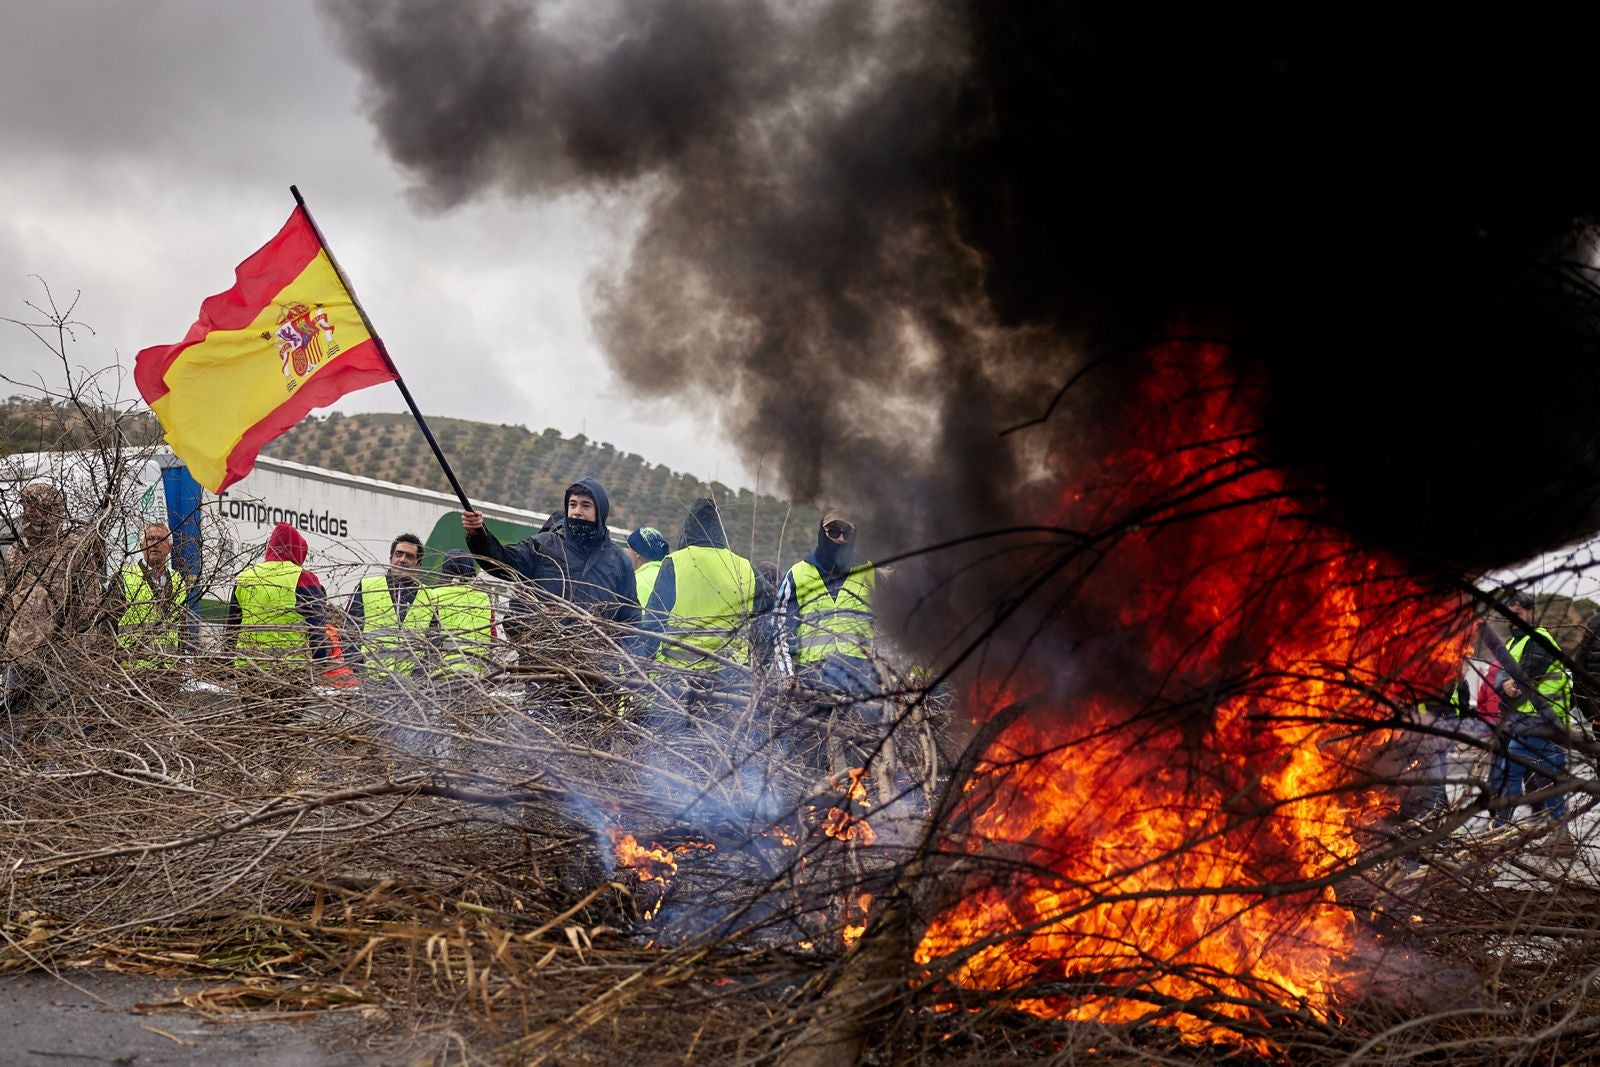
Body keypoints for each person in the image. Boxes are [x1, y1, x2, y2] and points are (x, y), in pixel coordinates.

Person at [461, 478, 639, 630]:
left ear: (600, 512)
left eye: (586, 506)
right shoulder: (543, 544)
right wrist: (479, 534)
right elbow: (502, 562)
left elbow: (630, 617)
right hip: (540, 660)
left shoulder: (618, 561)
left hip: (596, 664)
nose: (577, 511)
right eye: (573, 504)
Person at [0, 482, 103, 717]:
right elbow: (9, 603)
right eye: (27, 507)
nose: (31, 514)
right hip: (19, 659)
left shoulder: (75, 552)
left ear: (54, 510)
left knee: (55, 728)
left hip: (58, 662)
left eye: (39, 507)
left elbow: (88, 613)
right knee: (12, 730)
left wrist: (81, 661)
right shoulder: (19, 551)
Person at [636, 498, 771, 674]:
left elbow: (654, 623)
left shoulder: (676, 562)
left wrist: (639, 666)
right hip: (730, 680)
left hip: (679, 678)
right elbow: (772, 615)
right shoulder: (745, 567)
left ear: (688, 528)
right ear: (720, 531)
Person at [1486, 589, 1573, 849]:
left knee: (1517, 771)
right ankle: (1558, 835)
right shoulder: (1515, 642)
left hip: (1544, 719)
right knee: (1540, 776)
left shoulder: (1539, 638)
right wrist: (1505, 684)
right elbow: (1500, 673)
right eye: (1508, 614)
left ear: (1530, 612)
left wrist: (1513, 683)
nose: (1513, 619)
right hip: (1525, 718)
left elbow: (1529, 670)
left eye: (1518, 612)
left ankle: (1500, 830)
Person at [775, 512, 878, 698]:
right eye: (833, 532)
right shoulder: (797, 574)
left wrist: (884, 677)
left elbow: (886, 630)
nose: (840, 539)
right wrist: (787, 676)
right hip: (812, 679)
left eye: (846, 534)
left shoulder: (869, 573)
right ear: (822, 534)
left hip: (861, 681)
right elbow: (779, 628)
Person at [225, 522, 342, 681]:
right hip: (290, 673)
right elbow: (316, 632)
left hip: (248, 671)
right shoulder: (304, 578)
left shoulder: (245, 577)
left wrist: (227, 665)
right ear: (298, 552)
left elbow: (231, 630)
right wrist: (319, 664)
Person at [348, 533, 433, 678]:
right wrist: (360, 672)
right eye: (398, 554)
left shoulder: (429, 596)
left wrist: (419, 678)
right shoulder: (368, 586)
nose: (402, 559)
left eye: (409, 556)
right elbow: (349, 634)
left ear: (418, 565)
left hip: (412, 689)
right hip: (371, 683)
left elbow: (433, 644)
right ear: (390, 559)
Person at [106, 523, 191, 668]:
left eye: (161, 539)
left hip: (167, 673)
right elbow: (107, 626)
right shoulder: (125, 577)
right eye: (150, 539)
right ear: (141, 545)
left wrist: (179, 665)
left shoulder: (178, 581)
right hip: (131, 672)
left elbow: (182, 629)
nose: (155, 543)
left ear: (170, 547)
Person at [430, 549, 496, 675]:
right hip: (477, 675)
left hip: (442, 675)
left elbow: (427, 636)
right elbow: (493, 639)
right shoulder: (484, 597)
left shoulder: (434, 595)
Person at [627, 527, 670, 612]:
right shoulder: (669, 574)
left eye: (628, 548)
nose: (626, 552)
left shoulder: (638, 581)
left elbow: (639, 620)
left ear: (637, 553)